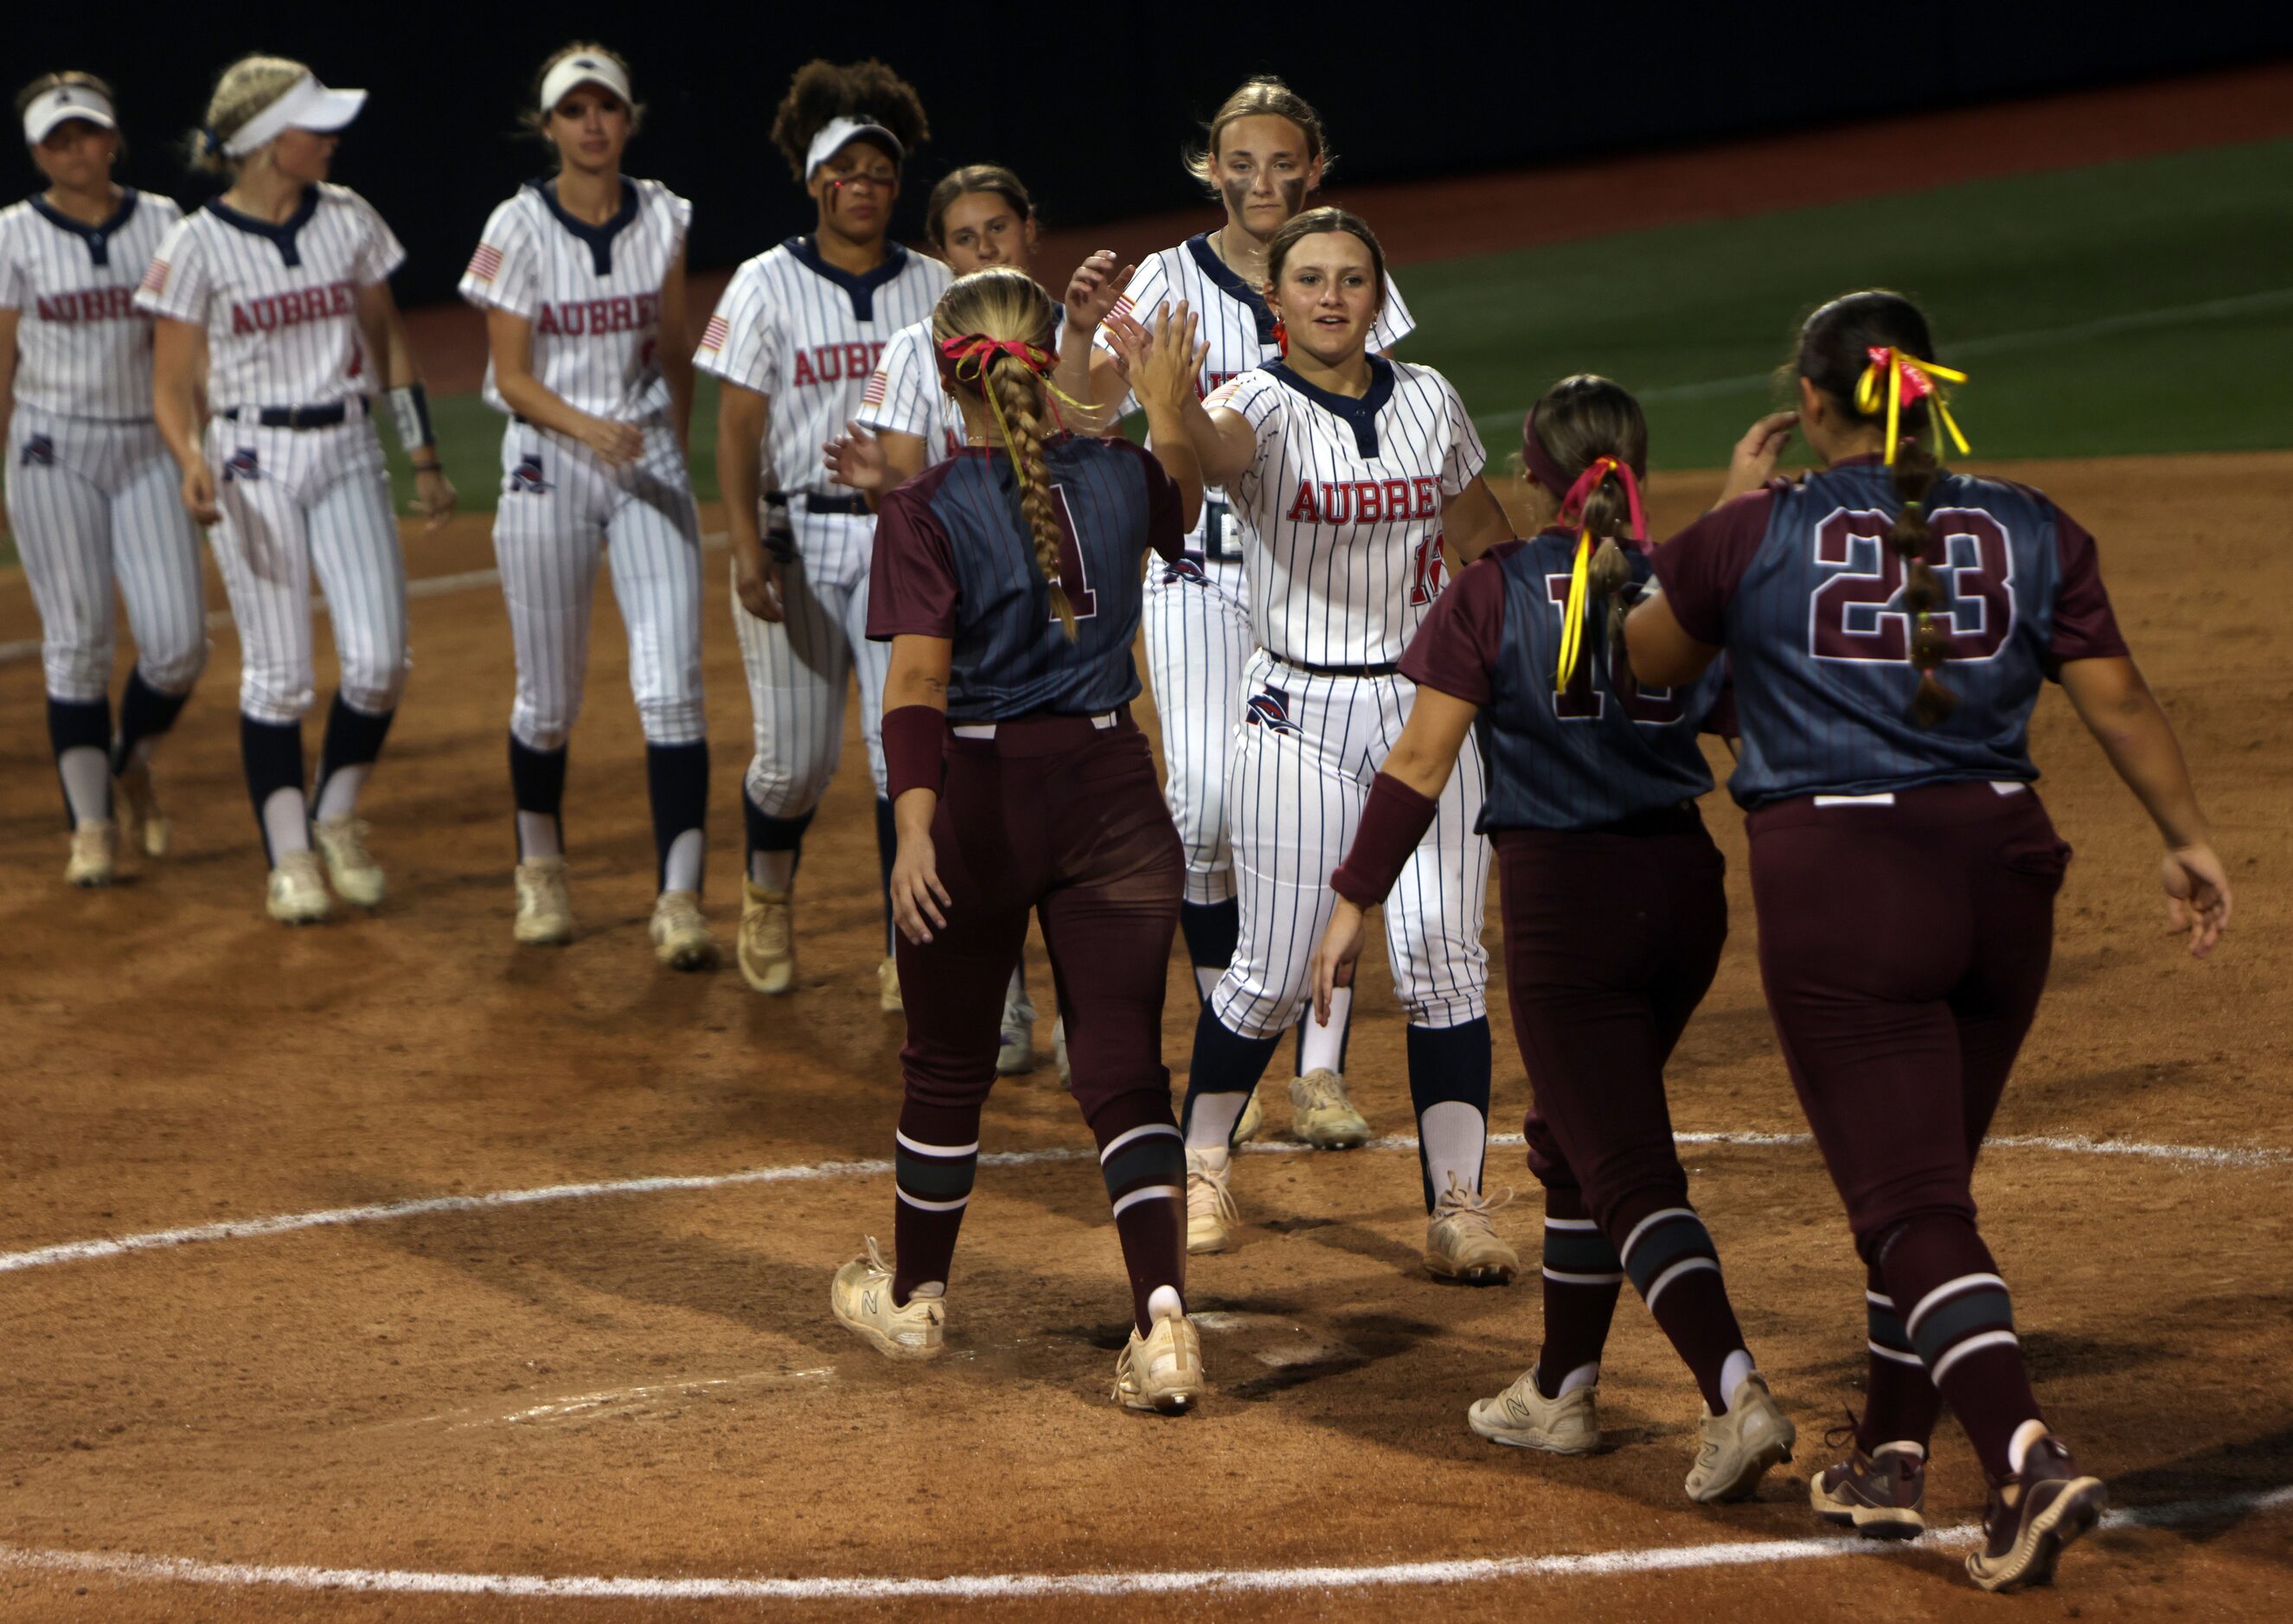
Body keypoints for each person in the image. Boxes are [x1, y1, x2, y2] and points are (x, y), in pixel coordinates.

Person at [1626, 289, 2232, 1591]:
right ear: (1930, 394)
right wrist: (2183, 835)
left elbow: (1646, 660)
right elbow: (2114, 695)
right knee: (1927, 1188)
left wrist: (1724, 515)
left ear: (1805, 401)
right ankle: (1889, 1453)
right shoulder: (2027, 522)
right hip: (2004, 870)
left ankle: (2021, 1452)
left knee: (1902, 1203)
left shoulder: (1757, 533)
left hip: (1846, 882)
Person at [1310, 375, 1797, 1503]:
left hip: (1566, 905)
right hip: (1684, 891)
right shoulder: (1680, 590)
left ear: (1528, 475)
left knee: (1624, 1162)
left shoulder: (1488, 593)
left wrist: (1350, 900)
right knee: (1574, 1128)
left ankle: (1734, 1392)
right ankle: (1559, 1385)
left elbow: (1419, 764)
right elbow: (1739, 712)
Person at [829, 271, 1209, 1411]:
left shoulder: (924, 508)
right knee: (1122, 1067)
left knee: (946, 1063)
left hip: (980, 800)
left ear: (946, 380)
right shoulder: (1126, 476)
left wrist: (909, 829)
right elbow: (1175, 484)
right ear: (1048, 360)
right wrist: (1145, 397)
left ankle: (915, 1299)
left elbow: (913, 685)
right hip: (1111, 793)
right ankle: (1163, 1322)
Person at [1146, 207, 1515, 1276]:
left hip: (1426, 713)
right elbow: (1205, 462)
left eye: (1349, 279)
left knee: (1446, 962)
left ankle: (1458, 1205)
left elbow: (1479, 536)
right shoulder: (1252, 401)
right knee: (1265, 974)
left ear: (1374, 295)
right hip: (1295, 717)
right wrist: (1167, 411)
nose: (1328, 297)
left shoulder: (1431, 399)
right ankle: (1203, 1161)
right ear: (1277, 301)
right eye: (1307, 279)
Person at [1073, 78, 1416, 1144]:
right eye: (1241, 163)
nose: (1261, 182)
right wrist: (1082, 328)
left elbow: (1380, 409)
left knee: (1333, 817)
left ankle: (1319, 1067)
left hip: (1318, 579)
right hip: (1196, 577)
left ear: (1313, 169)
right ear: (1208, 169)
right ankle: (1243, 1019)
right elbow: (1086, 414)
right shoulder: (1163, 280)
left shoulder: (1340, 265)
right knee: (1206, 804)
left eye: (1282, 163)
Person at [825, 161, 1127, 1077]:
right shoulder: (914, 348)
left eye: (997, 228)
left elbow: (1091, 448)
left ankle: (1081, 1001)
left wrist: (1076, 338)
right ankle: (1005, 992)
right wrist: (892, 493)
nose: (984, 246)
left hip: (1054, 587)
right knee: (984, 776)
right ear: (939, 252)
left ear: (1030, 231)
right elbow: (915, 483)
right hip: (967, 588)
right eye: (963, 236)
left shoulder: (1062, 335)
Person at [138, 55, 453, 923]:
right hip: (248, 461)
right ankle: (289, 858)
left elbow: (387, 344)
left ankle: (336, 814)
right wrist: (189, 457)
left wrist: (420, 456)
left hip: (346, 447)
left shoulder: (348, 218)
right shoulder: (194, 245)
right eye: (314, 126)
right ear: (265, 143)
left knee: (382, 662)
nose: (331, 139)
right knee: (277, 675)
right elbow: (169, 384)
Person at [695, 59, 945, 1007]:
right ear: (815, 183)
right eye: (847, 173)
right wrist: (745, 545)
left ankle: (902, 945)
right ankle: (766, 890)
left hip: (901, 541)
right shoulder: (764, 283)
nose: (866, 189)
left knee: (901, 755)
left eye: (881, 174)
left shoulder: (931, 283)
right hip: (795, 535)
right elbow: (735, 426)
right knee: (795, 763)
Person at [460, 44, 711, 966]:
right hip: (546, 461)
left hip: (643, 456)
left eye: (605, 106)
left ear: (628, 117)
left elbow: (673, 345)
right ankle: (541, 870)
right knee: (549, 698)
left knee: (672, 689)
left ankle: (679, 899)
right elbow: (511, 376)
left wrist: (673, 447)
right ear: (549, 126)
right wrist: (590, 429)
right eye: (574, 110)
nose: (592, 123)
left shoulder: (664, 216)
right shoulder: (516, 227)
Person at [3, 72, 204, 886]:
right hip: (53, 449)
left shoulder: (164, 222)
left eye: (86, 132)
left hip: (150, 445)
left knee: (180, 645)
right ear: (34, 152)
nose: (75, 148)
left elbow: (194, 348)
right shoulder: (12, 234)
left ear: (113, 137)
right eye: (57, 138)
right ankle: (90, 826)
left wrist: (203, 443)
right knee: (77, 643)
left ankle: (129, 760)